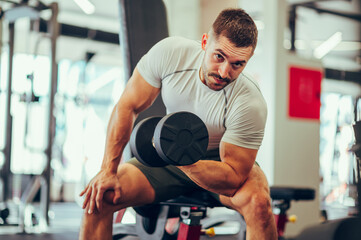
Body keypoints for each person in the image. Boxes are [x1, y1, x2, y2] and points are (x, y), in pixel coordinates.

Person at [79, 8, 277, 240]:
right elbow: (127, 106)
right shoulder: (171, 54)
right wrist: (108, 170)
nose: (224, 72)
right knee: (100, 196)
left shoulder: (249, 101)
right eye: (219, 56)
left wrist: (181, 158)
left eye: (237, 64)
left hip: (219, 164)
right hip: (168, 155)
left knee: (259, 204)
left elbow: (233, 176)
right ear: (205, 42)